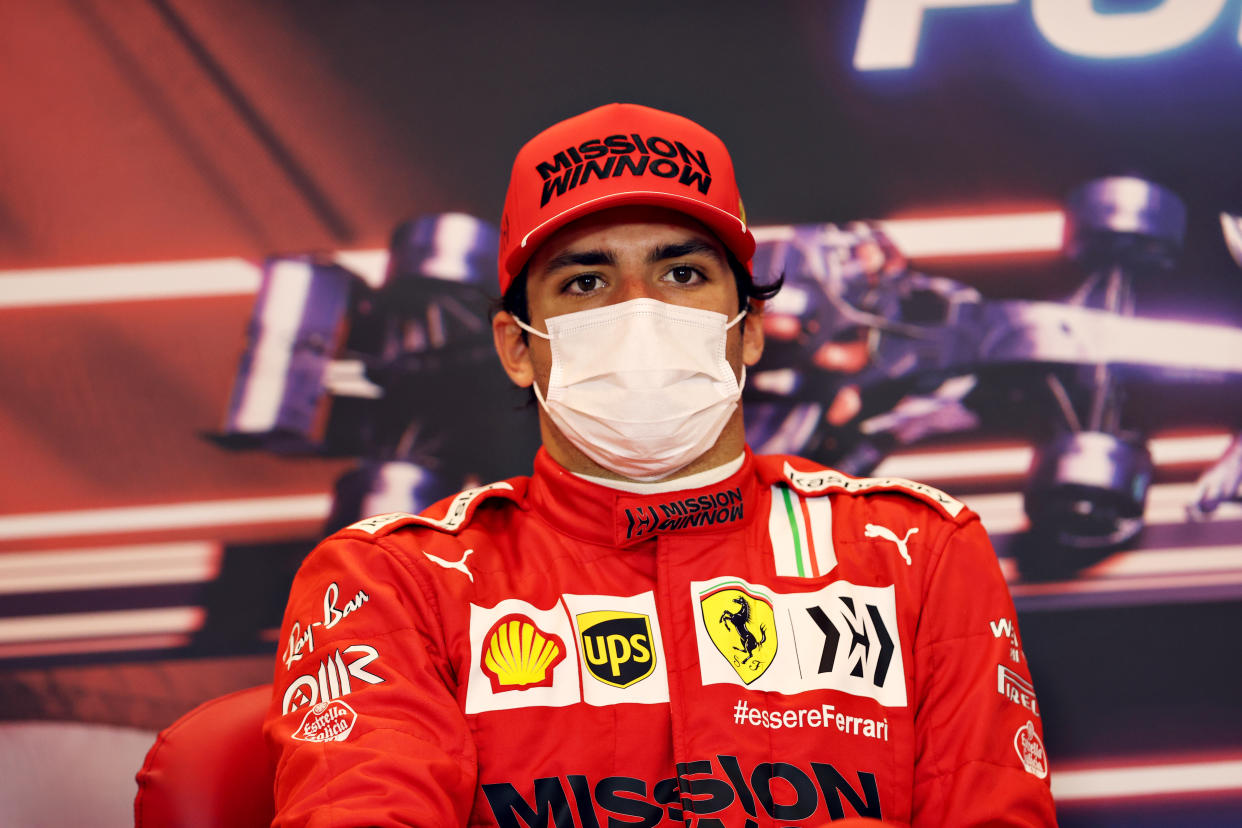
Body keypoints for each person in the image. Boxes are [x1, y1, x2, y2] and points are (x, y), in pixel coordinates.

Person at [263, 103, 1057, 827]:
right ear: (516, 347)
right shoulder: (393, 579)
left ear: (749, 329)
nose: (638, 309)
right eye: (585, 280)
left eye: (683, 273)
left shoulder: (914, 554)